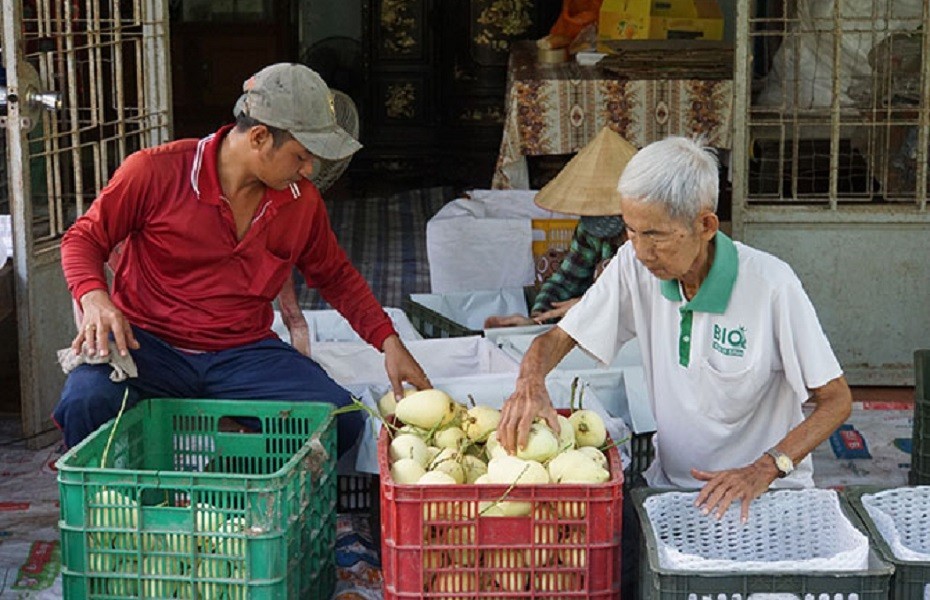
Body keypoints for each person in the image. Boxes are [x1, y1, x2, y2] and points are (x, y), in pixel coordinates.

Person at [53, 63, 431, 454]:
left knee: (340, 422)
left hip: (243, 353)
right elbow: (83, 238)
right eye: (301, 156)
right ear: (260, 137)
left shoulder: (302, 202)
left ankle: (234, 494)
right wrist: (94, 297)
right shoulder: (154, 171)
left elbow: (335, 276)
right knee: (85, 401)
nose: (309, 170)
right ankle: (105, 509)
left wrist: (388, 341)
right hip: (150, 346)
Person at [498, 136, 852, 522]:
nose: (640, 250)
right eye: (631, 231)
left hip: (764, 497)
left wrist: (766, 468)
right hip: (672, 490)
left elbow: (835, 400)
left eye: (655, 236)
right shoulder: (634, 267)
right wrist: (530, 384)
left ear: (705, 224)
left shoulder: (772, 286)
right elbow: (557, 338)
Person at [484, 126, 636, 328]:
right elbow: (566, 279)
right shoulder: (589, 230)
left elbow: (649, 296)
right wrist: (537, 319)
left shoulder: (653, 237)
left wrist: (590, 305)